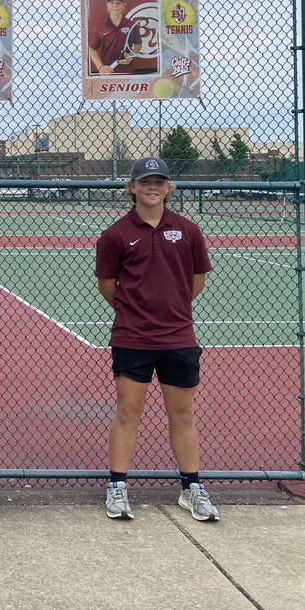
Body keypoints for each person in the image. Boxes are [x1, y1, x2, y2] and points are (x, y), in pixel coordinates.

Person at [94, 157, 219, 522]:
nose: (152, 187)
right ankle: (117, 486)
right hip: (132, 338)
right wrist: (137, 312)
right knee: (128, 412)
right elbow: (107, 286)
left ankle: (191, 488)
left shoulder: (188, 230)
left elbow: (196, 281)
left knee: (182, 414)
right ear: (132, 188)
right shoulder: (115, 235)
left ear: (168, 188)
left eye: (159, 181)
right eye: (144, 182)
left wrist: (171, 310)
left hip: (178, 338)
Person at [87, 0, 133, 75]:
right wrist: (100, 67)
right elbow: (92, 48)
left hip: (127, 73)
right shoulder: (100, 28)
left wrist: (130, 55)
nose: (115, 5)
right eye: (112, 3)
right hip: (107, 73)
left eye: (118, 3)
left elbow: (138, 44)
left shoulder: (132, 25)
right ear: (107, 5)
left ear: (123, 5)